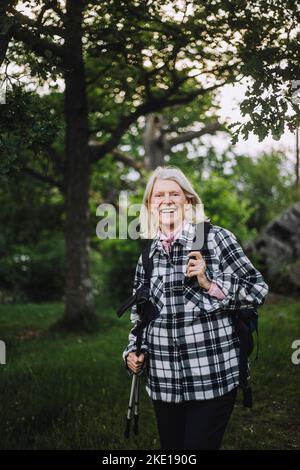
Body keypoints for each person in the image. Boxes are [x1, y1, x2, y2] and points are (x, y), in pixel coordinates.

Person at [122, 166, 269, 450]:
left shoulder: (214, 239)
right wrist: (131, 351)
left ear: (188, 201)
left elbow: (257, 289)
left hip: (211, 377)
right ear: (150, 206)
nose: (166, 200)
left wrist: (208, 281)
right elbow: (140, 317)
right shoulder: (147, 255)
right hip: (164, 383)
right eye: (159, 195)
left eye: (174, 194)